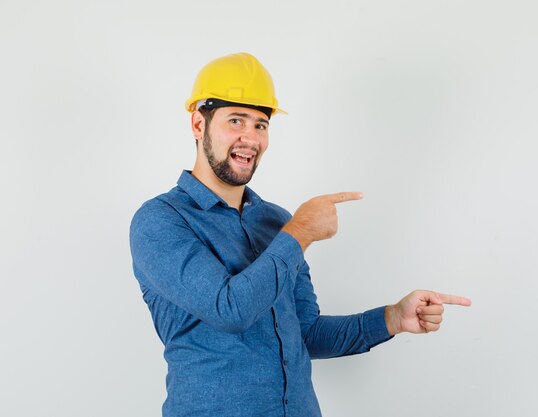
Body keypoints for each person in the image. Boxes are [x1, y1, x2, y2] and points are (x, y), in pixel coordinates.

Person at [129, 52, 472, 417]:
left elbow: (305, 334)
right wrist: (300, 233)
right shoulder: (159, 222)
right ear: (198, 124)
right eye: (235, 121)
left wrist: (392, 318)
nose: (250, 138)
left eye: (261, 125)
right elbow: (228, 309)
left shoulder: (275, 222)